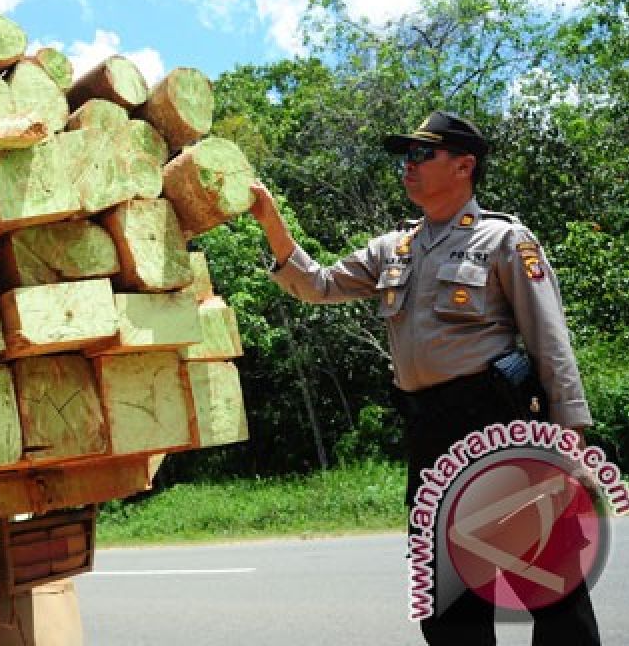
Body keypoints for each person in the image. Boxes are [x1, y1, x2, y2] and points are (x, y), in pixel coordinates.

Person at [246, 111, 600, 644]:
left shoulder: (504, 239)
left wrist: (570, 437)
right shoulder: (394, 248)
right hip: (430, 435)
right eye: (404, 156)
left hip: (498, 427)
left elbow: (549, 342)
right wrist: (268, 217)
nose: (406, 166)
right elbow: (316, 284)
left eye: (420, 155)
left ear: (464, 166)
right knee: (446, 598)